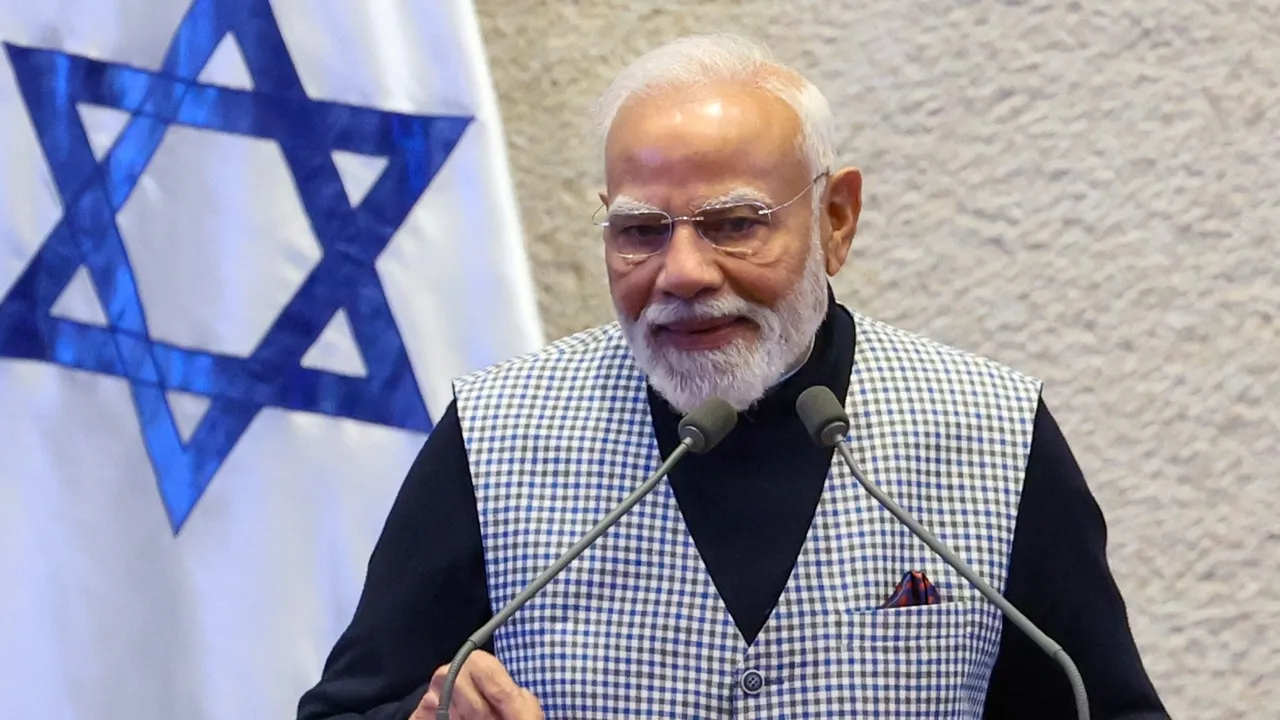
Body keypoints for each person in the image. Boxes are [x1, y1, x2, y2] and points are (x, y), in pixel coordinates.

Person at [297, 34, 1169, 720]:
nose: (680, 272)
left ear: (835, 220)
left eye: (733, 223)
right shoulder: (498, 433)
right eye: (639, 231)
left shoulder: (990, 432)